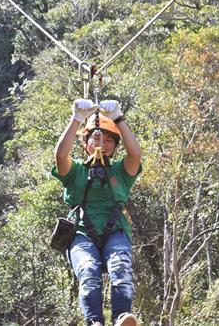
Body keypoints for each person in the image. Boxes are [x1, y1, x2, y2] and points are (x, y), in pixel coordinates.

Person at [53, 99, 142, 326]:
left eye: (110, 139)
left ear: (114, 146)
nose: (103, 142)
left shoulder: (120, 172)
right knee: (88, 272)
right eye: (96, 137)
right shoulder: (76, 173)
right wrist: (76, 119)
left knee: (120, 268)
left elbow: (135, 155)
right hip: (82, 233)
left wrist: (119, 119)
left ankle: (122, 317)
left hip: (116, 231)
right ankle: (94, 322)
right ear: (86, 142)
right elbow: (61, 156)